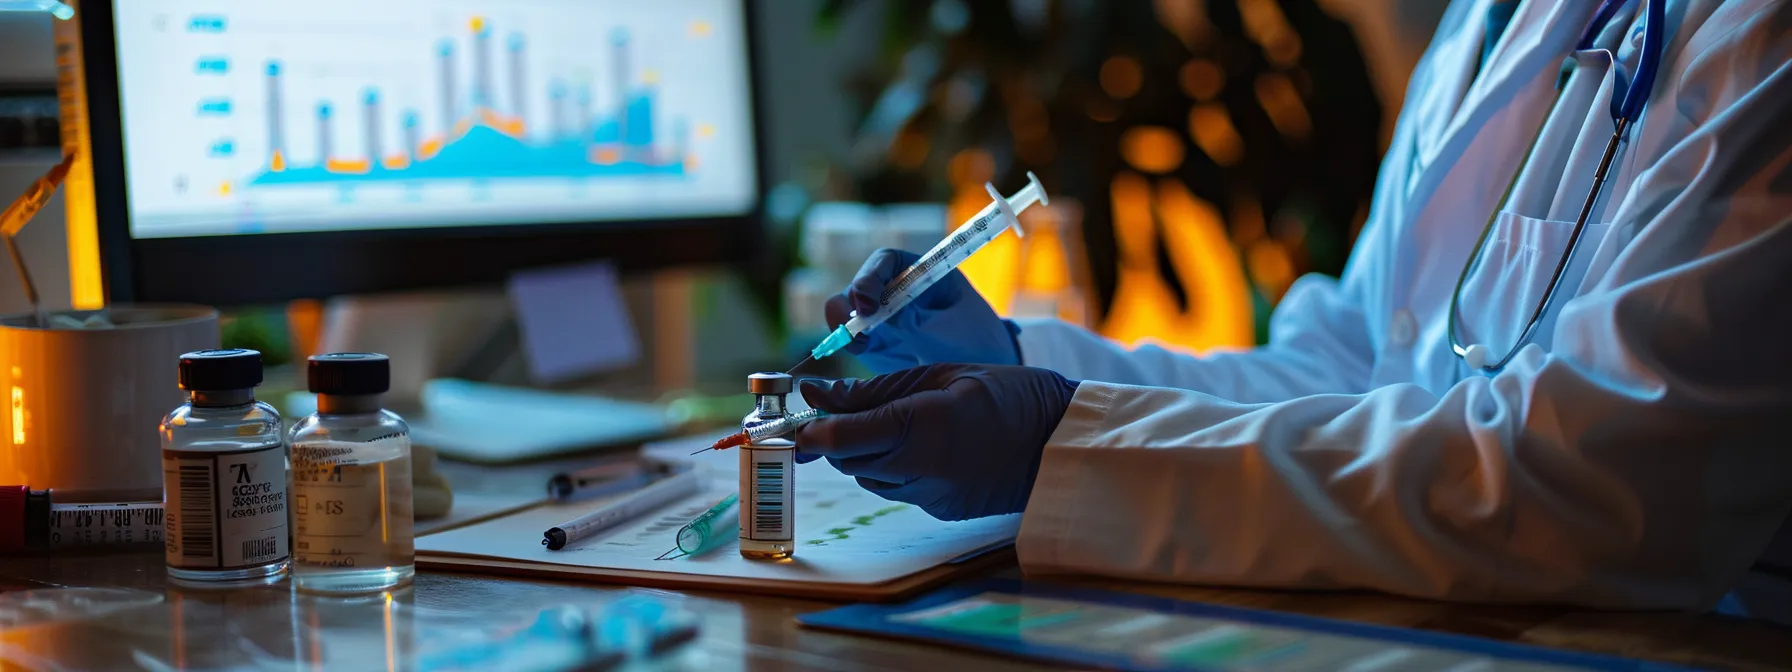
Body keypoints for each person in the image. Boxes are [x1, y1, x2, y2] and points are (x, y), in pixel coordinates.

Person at [794, 0, 1792, 612]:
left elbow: (1605, 483)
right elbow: (1353, 366)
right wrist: (1024, 363)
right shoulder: (1490, 20)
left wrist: (1062, 442)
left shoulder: (1758, 34)